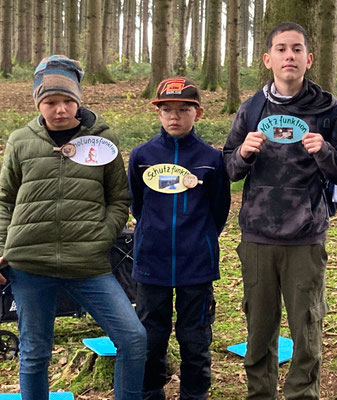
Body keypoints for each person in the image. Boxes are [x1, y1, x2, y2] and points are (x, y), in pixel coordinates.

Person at [223, 22, 337, 400]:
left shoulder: (326, 111)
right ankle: (260, 394)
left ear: (309, 59)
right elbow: (228, 169)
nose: (290, 56)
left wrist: (325, 152)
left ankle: (303, 395)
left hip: (305, 237)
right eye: (282, 49)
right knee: (258, 331)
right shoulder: (252, 109)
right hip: (258, 236)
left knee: (306, 329)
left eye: (297, 49)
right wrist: (243, 154)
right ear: (268, 59)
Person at [0, 55, 147, 400]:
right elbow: (5, 199)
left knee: (133, 338)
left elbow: (119, 198)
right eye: (50, 101)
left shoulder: (102, 140)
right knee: (35, 353)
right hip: (30, 266)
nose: (60, 109)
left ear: (78, 100)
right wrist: (3, 248)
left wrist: (101, 237)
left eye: (67, 100)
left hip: (87, 266)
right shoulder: (21, 141)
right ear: (38, 103)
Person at [128, 77, 230, 400]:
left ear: (197, 113)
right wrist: (153, 232)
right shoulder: (141, 156)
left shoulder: (211, 159)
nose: (174, 116)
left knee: (195, 338)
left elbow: (219, 208)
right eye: (167, 110)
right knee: (151, 337)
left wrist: (199, 239)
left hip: (196, 264)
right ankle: (150, 392)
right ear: (157, 113)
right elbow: (137, 204)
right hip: (151, 263)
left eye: (183, 109)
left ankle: (194, 394)